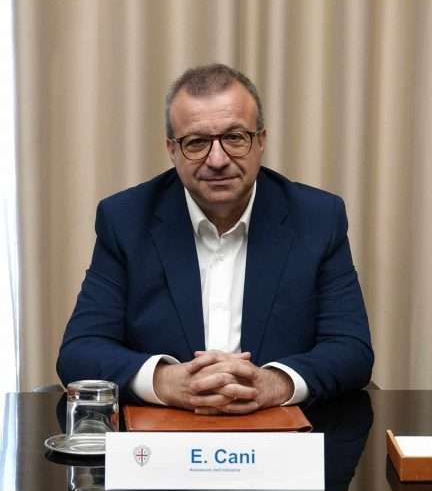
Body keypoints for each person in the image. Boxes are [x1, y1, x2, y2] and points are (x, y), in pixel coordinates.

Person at [57, 63, 373, 412]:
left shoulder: (317, 218)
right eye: (197, 143)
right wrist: (165, 381)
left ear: (261, 141)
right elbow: (79, 352)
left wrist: (274, 384)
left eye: (235, 137)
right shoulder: (126, 220)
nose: (218, 159)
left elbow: (351, 350)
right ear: (172, 150)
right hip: (164, 433)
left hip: (279, 430)